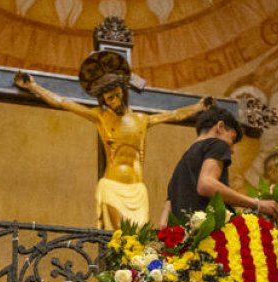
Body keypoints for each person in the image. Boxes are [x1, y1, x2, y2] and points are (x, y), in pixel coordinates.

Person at [14, 52, 208, 229]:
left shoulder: (142, 119)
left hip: (138, 191)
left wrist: (198, 107)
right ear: (103, 100)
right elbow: (63, 102)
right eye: (109, 98)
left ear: (123, 91)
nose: (114, 101)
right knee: (116, 241)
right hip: (112, 187)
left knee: (138, 244)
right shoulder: (100, 117)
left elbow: (174, 115)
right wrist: (33, 86)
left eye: (116, 95)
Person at [160, 106, 278, 226]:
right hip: (212, 238)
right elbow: (206, 184)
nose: (232, 149)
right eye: (232, 139)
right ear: (220, 127)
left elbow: (164, 223)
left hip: (186, 240)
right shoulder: (218, 144)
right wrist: (257, 204)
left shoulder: (181, 165)